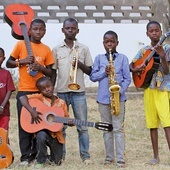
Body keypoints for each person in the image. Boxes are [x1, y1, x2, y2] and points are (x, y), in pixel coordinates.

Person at [6, 19, 55, 166]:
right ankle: (25, 157)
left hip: (40, 93)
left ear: (45, 31)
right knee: (24, 125)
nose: (38, 32)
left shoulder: (46, 49)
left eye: (41, 29)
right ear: (29, 31)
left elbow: (51, 71)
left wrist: (41, 67)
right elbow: (9, 63)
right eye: (35, 29)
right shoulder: (21, 45)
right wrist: (22, 61)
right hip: (24, 91)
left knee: (39, 124)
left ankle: (37, 155)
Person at [52, 18, 93, 164]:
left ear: (77, 30)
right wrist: (52, 94)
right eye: (67, 28)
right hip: (61, 92)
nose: (70, 30)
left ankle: (85, 157)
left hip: (79, 93)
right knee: (61, 127)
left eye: (73, 28)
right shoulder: (56, 49)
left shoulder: (84, 48)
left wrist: (80, 64)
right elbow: (53, 72)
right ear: (63, 30)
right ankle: (60, 157)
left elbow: (90, 71)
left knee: (82, 127)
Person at [129, 21, 170, 165]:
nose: (154, 33)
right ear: (147, 34)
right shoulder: (144, 50)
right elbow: (131, 65)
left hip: (163, 90)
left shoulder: (166, 48)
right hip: (148, 90)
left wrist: (163, 56)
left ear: (161, 32)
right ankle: (156, 157)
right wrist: (137, 69)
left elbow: (166, 71)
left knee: (167, 124)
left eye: (157, 31)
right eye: (151, 31)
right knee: (152, 124)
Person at [90, 30, 131, 168]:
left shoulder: (123, 58)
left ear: (117, 43)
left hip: (118, 98)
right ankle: (109, 158)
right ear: (103, 43)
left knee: (118, 129)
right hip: (103, 99)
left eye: (112, 41)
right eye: (106, 42)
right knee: (107, 128)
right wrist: (104, 72)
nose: (109, 44)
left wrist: (120, 90)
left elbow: (127, 78)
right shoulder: (99, 58)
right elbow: (93, 76)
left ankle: (120, 159)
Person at [19, 76, 71, 168]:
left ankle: (48, 157)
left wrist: (70, 122)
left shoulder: (62, 103)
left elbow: (66, 118)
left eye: (48, 86)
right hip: (43, 134)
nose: (47, 90)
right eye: (43, 89)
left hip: (56, 136)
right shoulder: (39, 98)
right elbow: (22, 98)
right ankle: (40, 161)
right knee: (41, 135)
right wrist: (32, 112)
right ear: (39, 91)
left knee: (57, 162)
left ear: (52, 85)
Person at [0, 47, 15, 133]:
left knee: (3, 135)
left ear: (4, 58)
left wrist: (2, 106)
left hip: (3, 111)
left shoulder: (6, 73)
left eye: (0, 56)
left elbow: (9, 90)